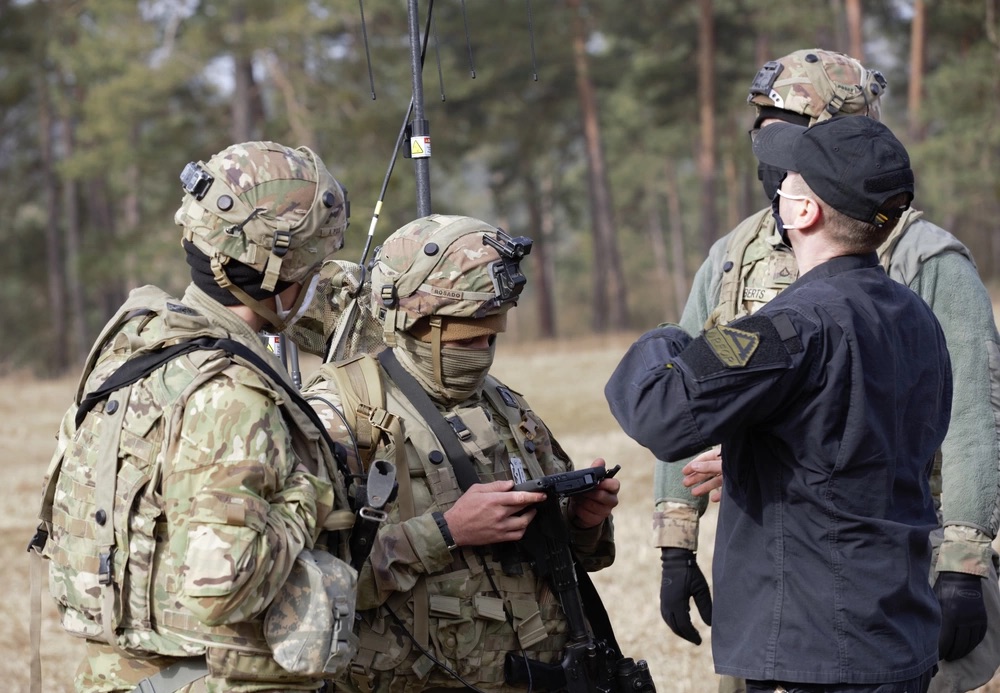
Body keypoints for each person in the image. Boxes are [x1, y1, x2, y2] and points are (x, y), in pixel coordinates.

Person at [652, 48, 1000, 693]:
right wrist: (676, 538)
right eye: (761, 123)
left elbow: (973, 421)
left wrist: (963, 566)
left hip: (888, 554)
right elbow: (689, 382)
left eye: (787, 122)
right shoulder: (735, 254)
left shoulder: (924, 258)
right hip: (769, 561)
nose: (767, 141)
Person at [608, 116, 952, 692]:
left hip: (813, 649)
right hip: (897, 632)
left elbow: (658, 410)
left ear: (804, 212)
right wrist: (754, 460)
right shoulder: (914, 315)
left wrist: (671, 337)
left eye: (789, 177)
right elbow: (850, 443)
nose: (778, 184)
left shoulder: (790, 325)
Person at [31, 141, 355, 692]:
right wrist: (310, 493)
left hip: (120, 674)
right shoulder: (230, 395)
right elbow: (223, 584)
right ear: (282, 275)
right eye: (316, 267)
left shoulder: (139, 341)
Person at [302, 214, 624, 692]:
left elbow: (579, 558)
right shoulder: (340, 418)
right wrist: (447, 531)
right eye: (461, 337)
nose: (480, 351)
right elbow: (308, 590)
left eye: (490, 335)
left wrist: (583, 519)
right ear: (408, 321)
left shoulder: (505, 406)